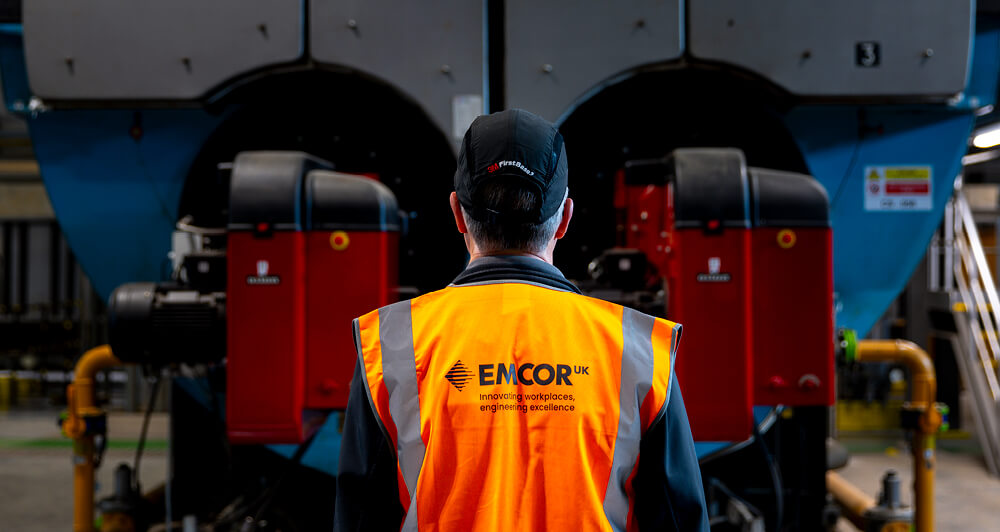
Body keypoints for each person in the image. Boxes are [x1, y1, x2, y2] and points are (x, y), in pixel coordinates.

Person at [334, 109, 708, 531]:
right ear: (565, 218)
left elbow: (361, 517)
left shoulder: (390, 344)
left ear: (457, 214)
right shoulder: (639, 350)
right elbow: (678, 519)